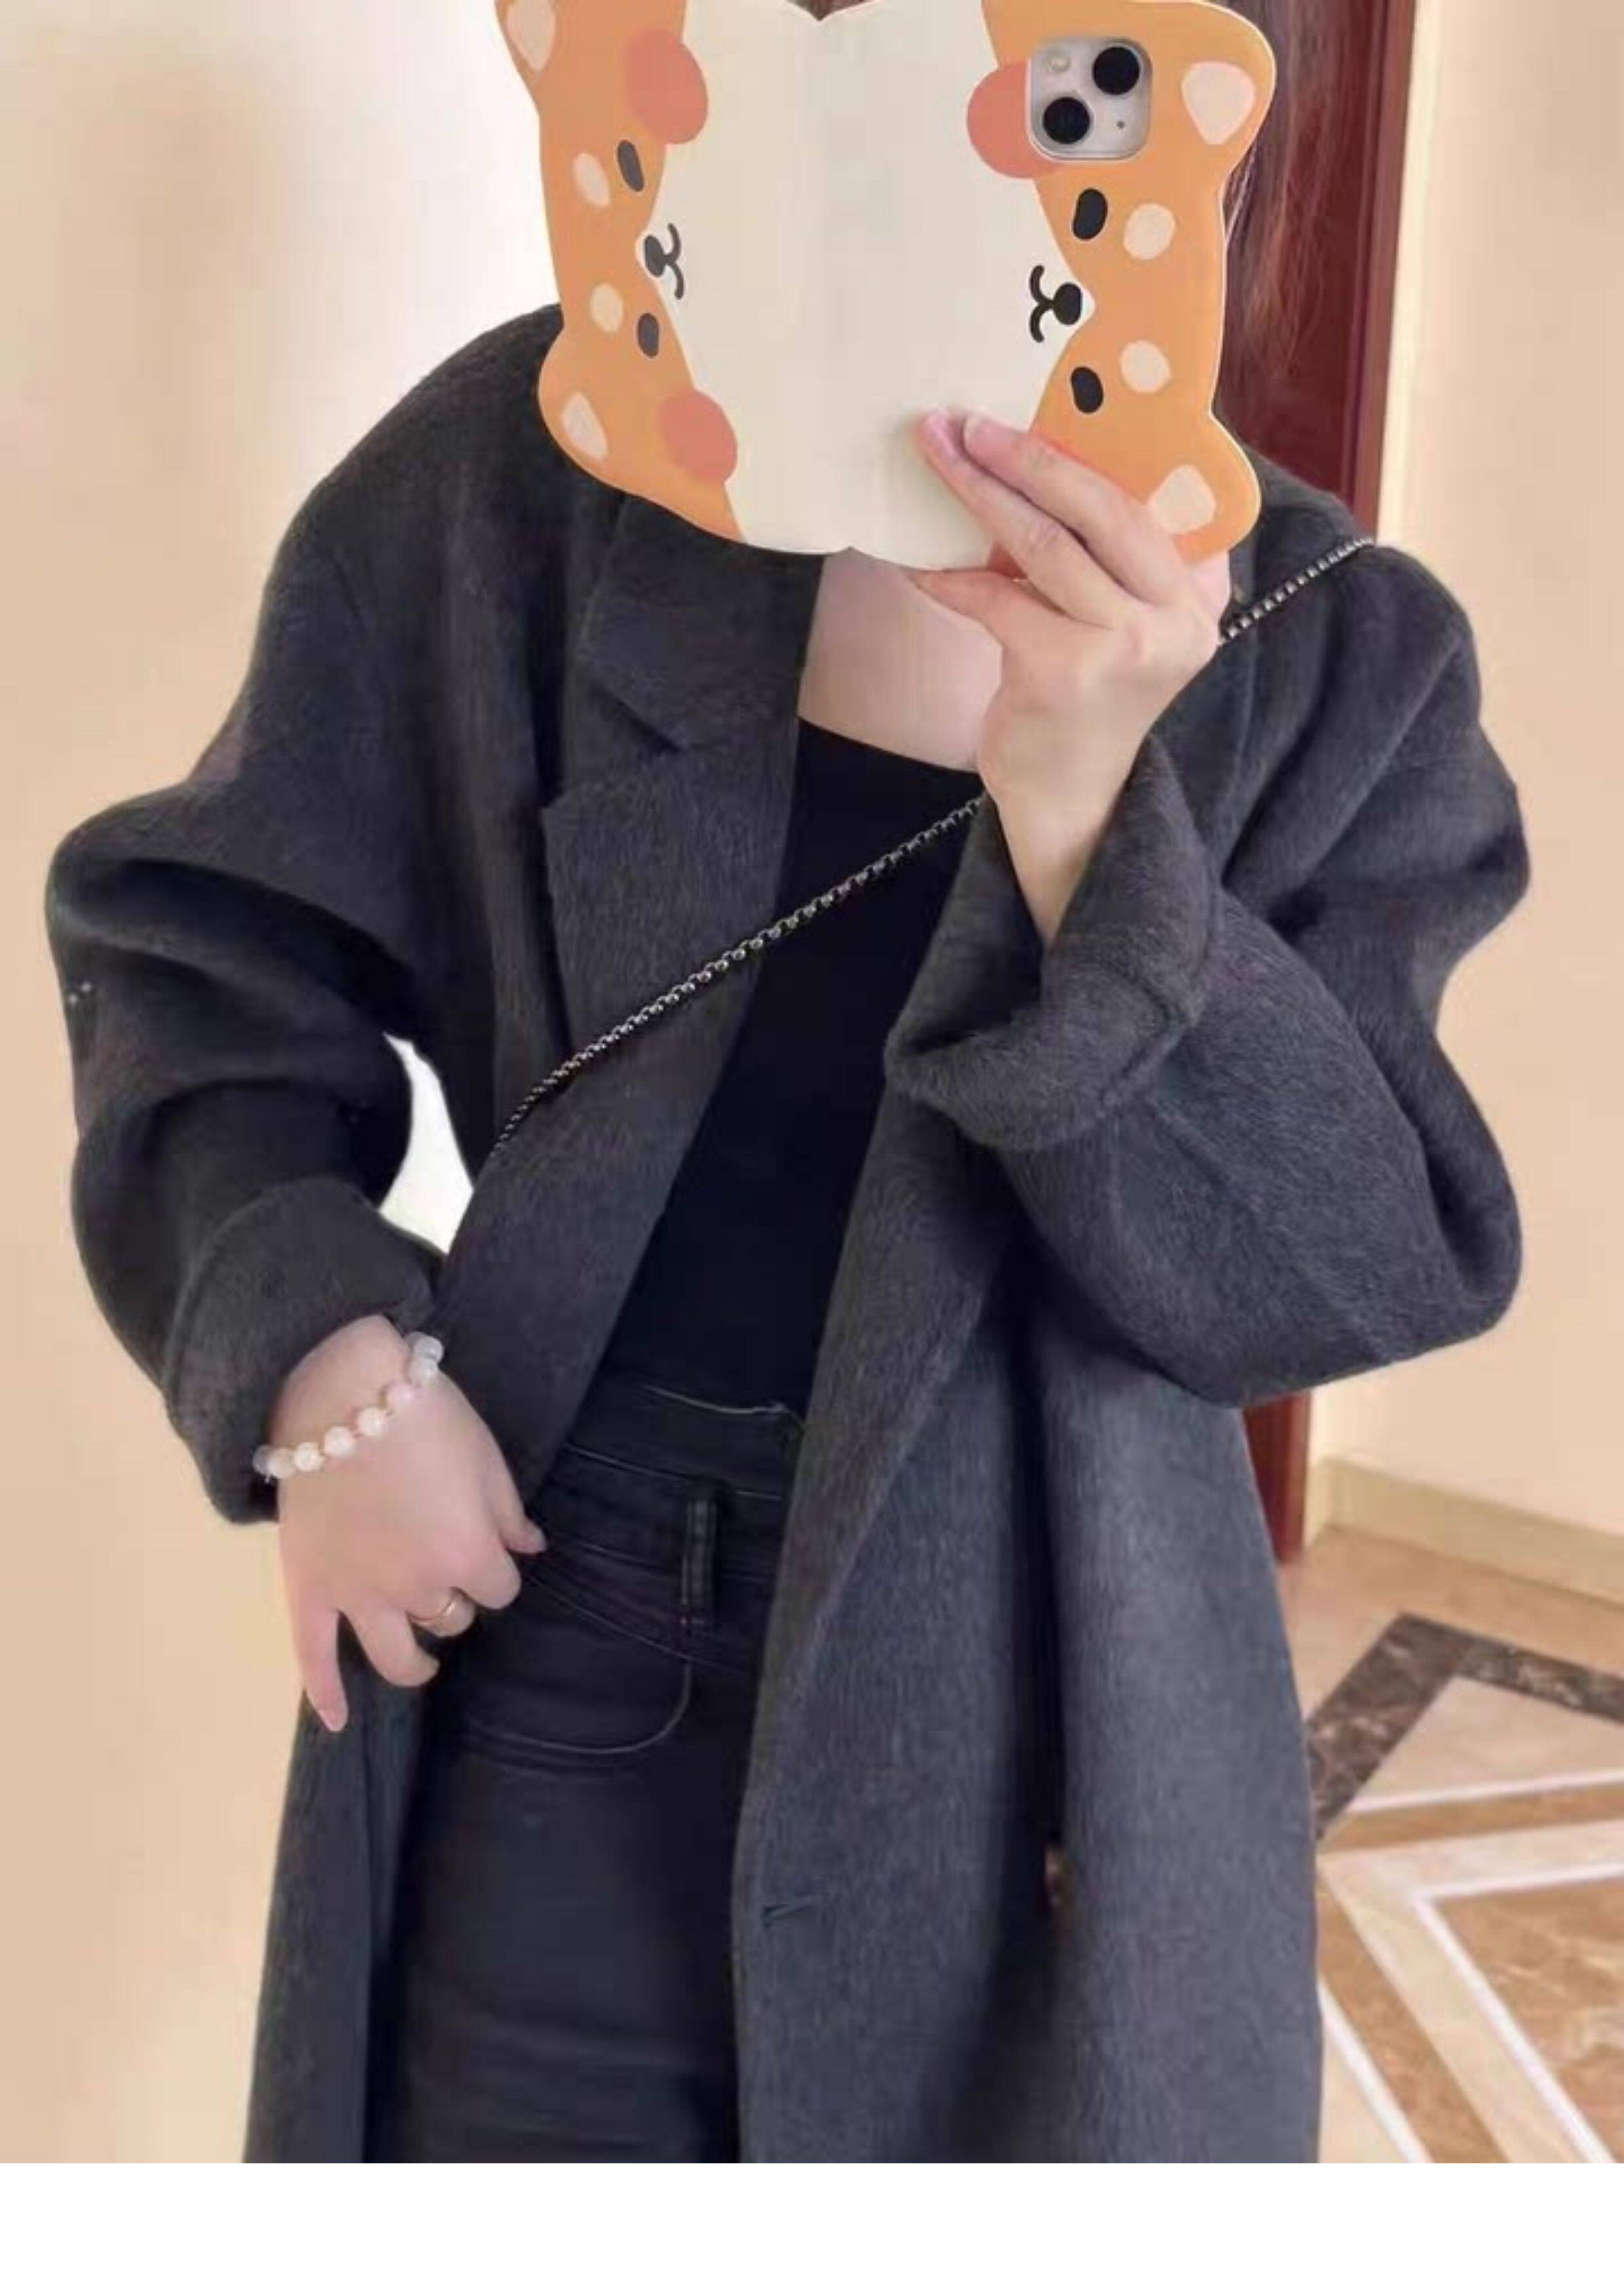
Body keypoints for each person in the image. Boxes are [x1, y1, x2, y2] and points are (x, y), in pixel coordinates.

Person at [43, 0, 1530, 2161]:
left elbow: (1353, 1264)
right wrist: (322, 1364)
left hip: (1066, 1687)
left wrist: (1096, 826)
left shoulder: (1332, 645)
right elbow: (198, 954)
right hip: (551, 1595)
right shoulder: (523, 485)